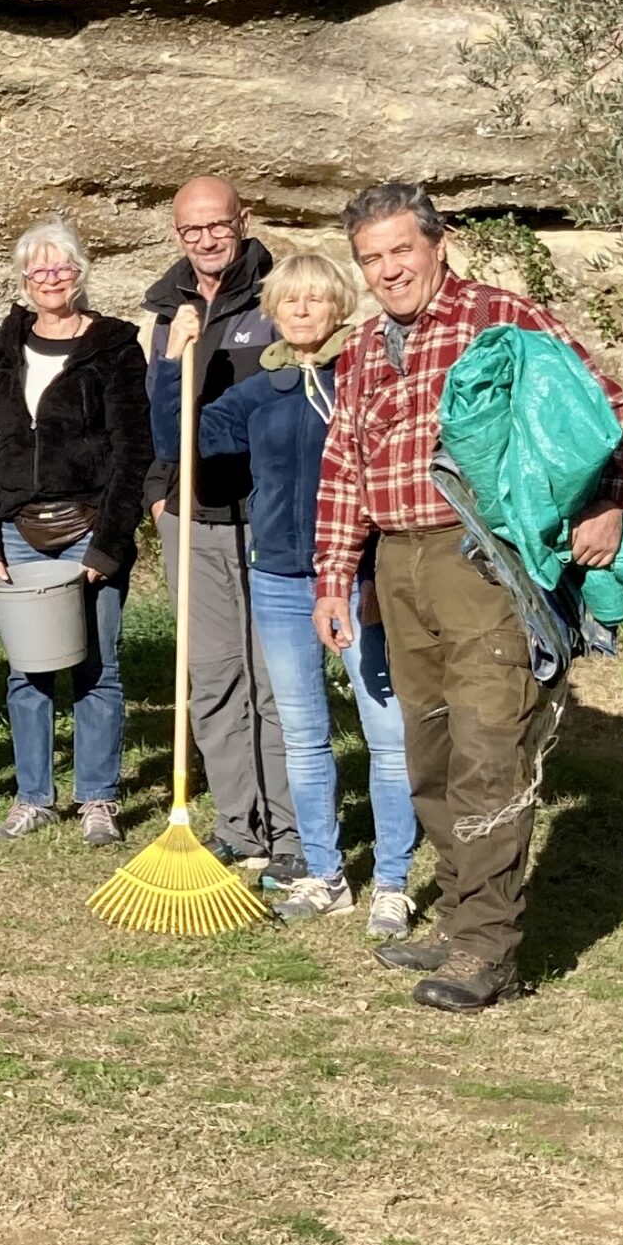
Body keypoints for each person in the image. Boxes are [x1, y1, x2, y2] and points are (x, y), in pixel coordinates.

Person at [317, 183, 623, 1011]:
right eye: (371, 258)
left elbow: (611, 410)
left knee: (487, 750)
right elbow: (343, 467)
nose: (389, 270)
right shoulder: (362, 348)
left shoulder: (499, 317)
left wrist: (611, 500)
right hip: (399, 566)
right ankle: (465, 914)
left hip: (483, 563)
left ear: (438, 243)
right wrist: (334, 575)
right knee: (429, 755)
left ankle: (486, 950)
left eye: (401, 250)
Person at [159, 250, 417, 934]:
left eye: (317, 300)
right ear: (272, 312)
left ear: (340, 307)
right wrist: (169, 366)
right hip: (276, 576)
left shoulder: (362, 378)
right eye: (290, 301)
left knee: (385, 734)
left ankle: (392, 879)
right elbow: (180, 442)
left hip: (360, 575)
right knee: (303, 735)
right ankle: (325, 874)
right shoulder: (257, 394)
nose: (303, 311)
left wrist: (378, 568)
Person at [0, 220, 151, 846]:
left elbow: (133, 452)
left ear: (80, 272)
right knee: (27, 669)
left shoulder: (116, 347)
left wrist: (111, 542)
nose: (51, 279)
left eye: (62, 267)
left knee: (98, 665)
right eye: (38, 270)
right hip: (17, 529)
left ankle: (97, 798)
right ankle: (33, 796)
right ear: (23, 279)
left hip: (88, 525)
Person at [142, 177, 301, 881]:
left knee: (274, 683)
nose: (206, 239)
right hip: (192, 519)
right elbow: (157, 421)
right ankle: (239, 826)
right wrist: (159, 492)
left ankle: (294, 831)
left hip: (266, 521)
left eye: (217, 225)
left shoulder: (277, 296)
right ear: (177, 235)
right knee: (212, 680)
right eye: (191, 229)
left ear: (243, 221)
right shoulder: (165, 313)